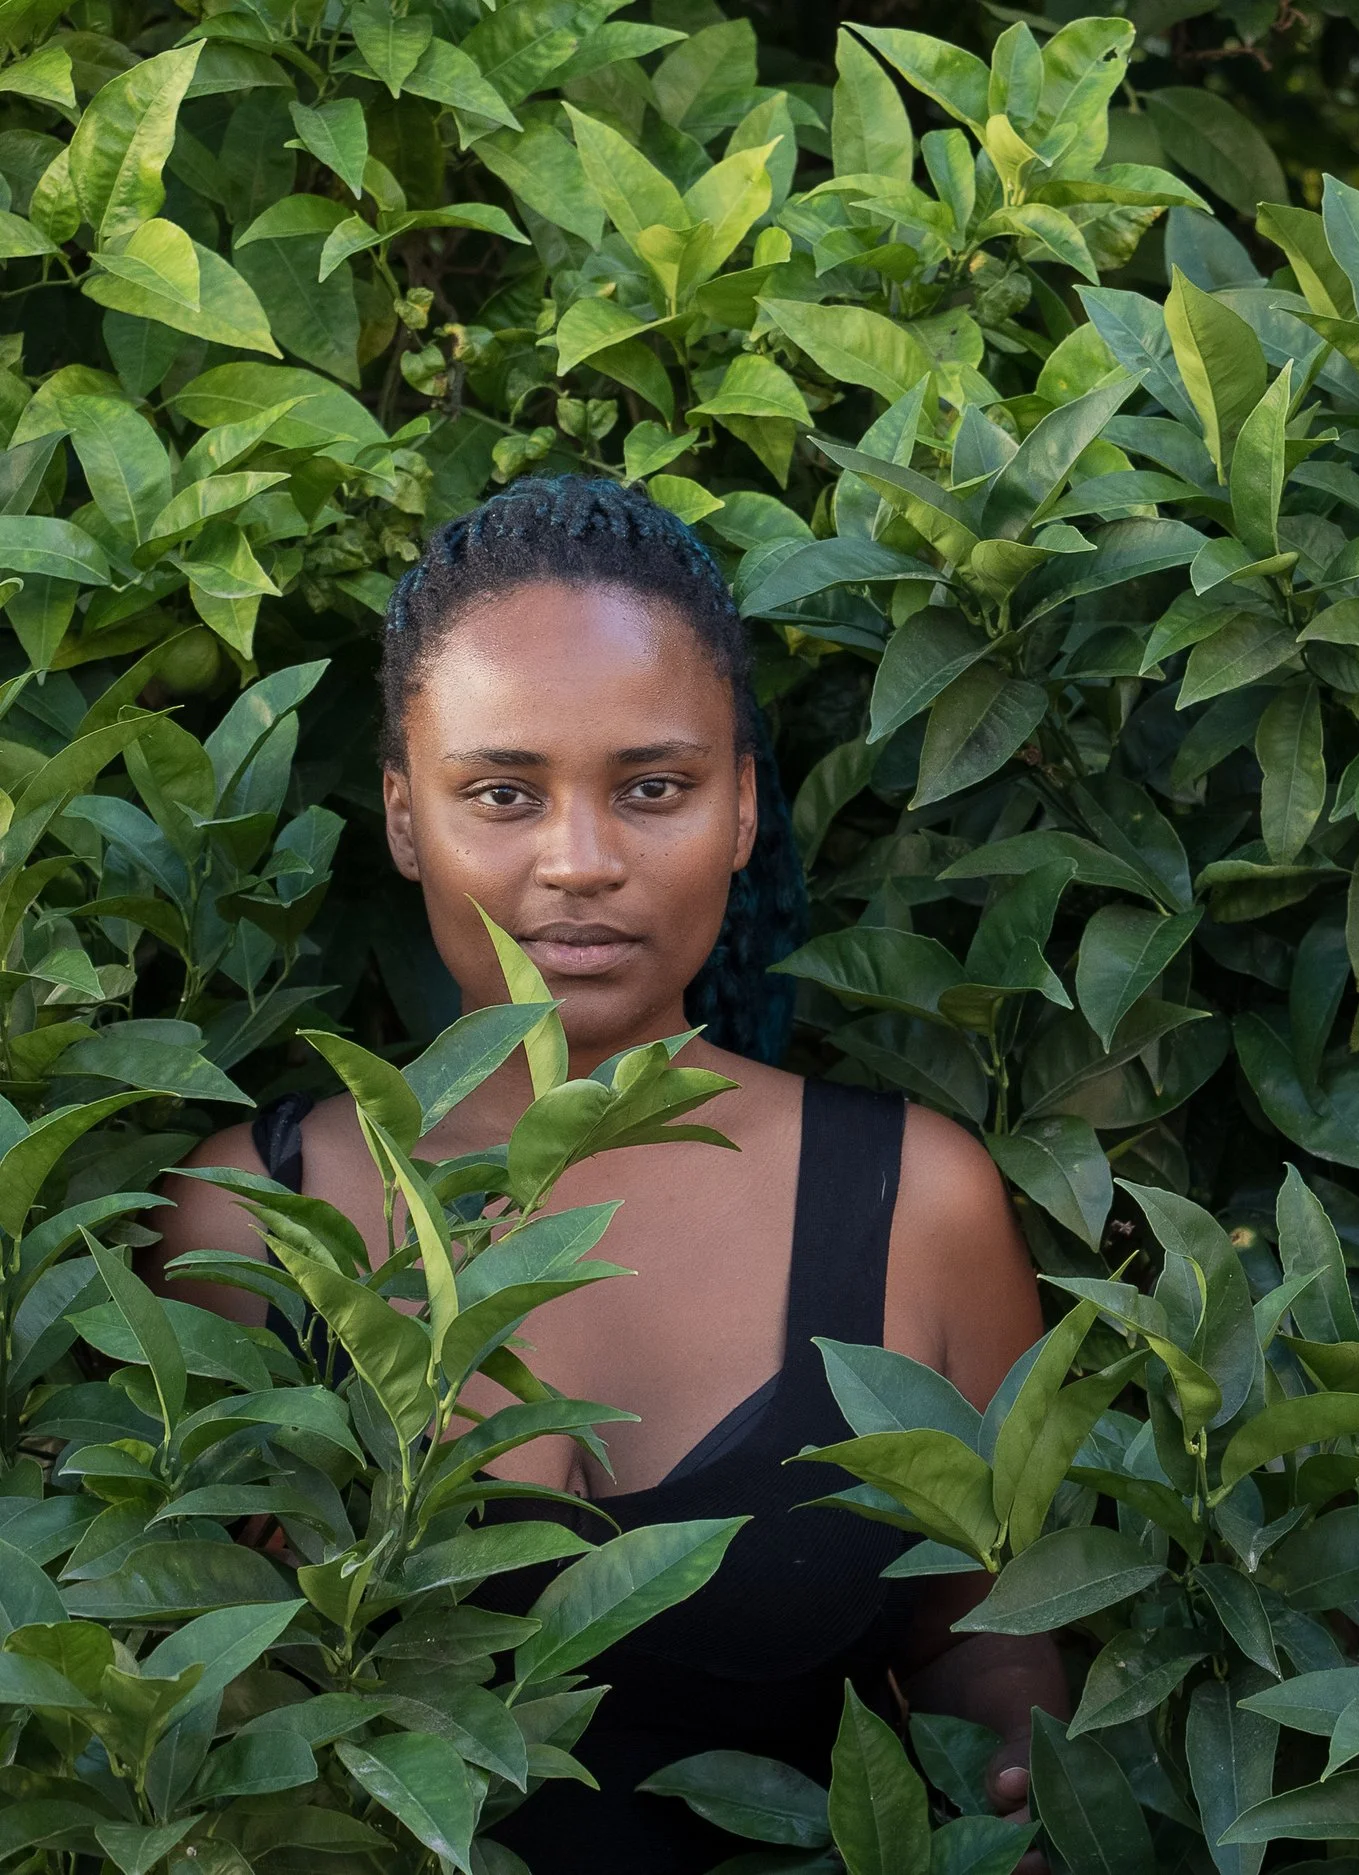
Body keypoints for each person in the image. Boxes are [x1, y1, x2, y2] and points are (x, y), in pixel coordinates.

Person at [149, 477, 1065, 1872]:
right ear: (404, 816)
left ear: (745, 807)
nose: (581, 863)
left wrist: (1024, 1764)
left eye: (654, 787)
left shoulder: (915, 1205)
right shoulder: (250, 1215)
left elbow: (988, 1643)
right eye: (501, 793)